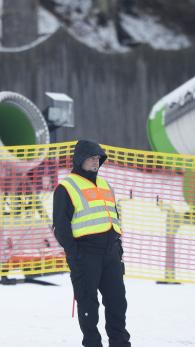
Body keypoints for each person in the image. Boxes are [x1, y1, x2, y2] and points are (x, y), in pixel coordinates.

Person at [53, 139, 131, 347]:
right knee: (88, 305)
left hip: (111, 253)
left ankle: (120, 343)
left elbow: (113, 216)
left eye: (98, 158)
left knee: (117, 303)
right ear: (80, 160)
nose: (96, 162)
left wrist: (118, 245)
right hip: (85, 254)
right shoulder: (66, 187)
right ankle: (92, 343)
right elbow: (60, 226)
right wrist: (74, 252)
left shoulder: (105, 184)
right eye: (91, 158)